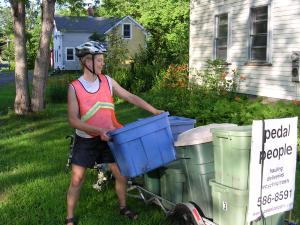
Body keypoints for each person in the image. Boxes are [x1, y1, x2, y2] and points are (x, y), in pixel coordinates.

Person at [65, 41, 163, 225]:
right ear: (87, 62)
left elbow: (130, 97)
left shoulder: (108, 81)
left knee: (121, 174)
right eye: (99, 60)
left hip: (110, 138)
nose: (103, 63)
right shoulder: (74, 88)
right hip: (86, 140)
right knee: (77, 180)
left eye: (103, 60)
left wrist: (154, 110)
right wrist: (97, 130)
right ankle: (69, 218)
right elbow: (73, 120)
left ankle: (123, 207)